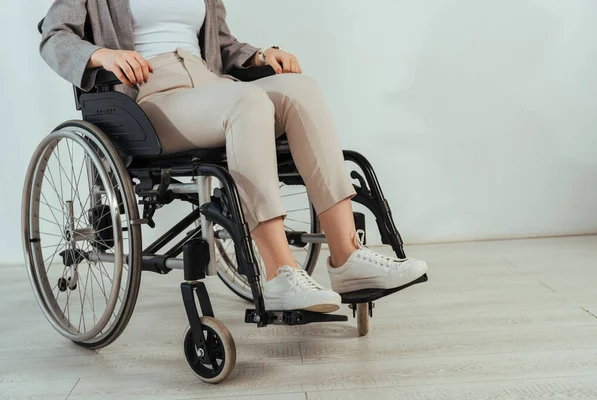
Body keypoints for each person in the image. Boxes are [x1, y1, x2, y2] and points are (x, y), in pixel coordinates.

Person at [40, 0, 428, 313]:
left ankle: (348, 258)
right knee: (249, 101)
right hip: (147, 96)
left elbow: (222, 46)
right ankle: (280, 274)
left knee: (300, 89)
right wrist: (100, 55)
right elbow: (53, 36)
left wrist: (260, 54)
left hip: (210, 85)